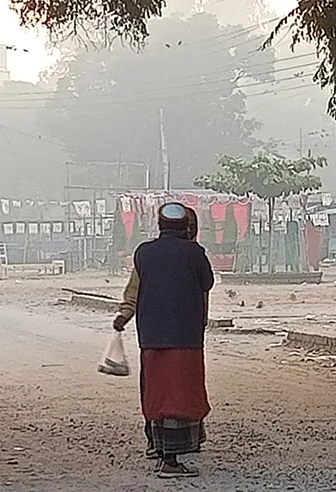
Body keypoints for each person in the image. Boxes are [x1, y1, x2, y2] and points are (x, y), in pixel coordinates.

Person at [113, 203, 212, 478]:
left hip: (152, 337)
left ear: (159, 225)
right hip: (186, 337)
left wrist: (124, 315)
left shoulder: (144, 253)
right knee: (181, 396)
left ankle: (156, 446)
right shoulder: (195, 254)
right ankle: (170, 461)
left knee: (157, 393)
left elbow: (135, 289)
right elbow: (207, 284)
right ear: (187, 228)